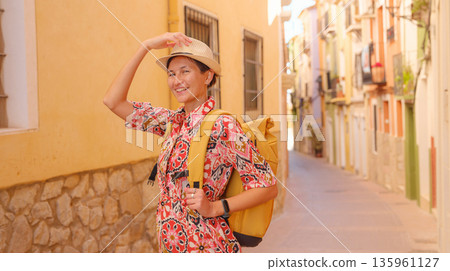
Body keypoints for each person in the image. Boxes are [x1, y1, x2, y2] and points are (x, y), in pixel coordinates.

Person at [103, 32, 278, 253]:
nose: (176, 81)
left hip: (207, 246)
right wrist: (145, 47)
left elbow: (267, 187)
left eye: (185, 71)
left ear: (207, 76)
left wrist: (215, 207)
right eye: (171, 73)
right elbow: (113, 101)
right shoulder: (171, 122)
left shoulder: (223, 126)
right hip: (172, 247)